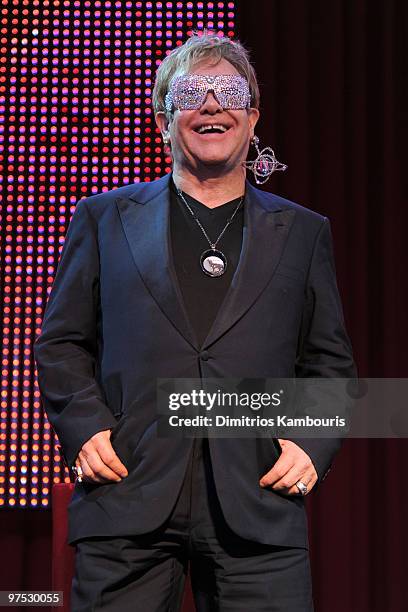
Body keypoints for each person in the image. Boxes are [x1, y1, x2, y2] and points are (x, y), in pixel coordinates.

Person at [34, 33, 356, 612]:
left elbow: (330, 363)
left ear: (253, 117)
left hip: (258, 504)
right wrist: (85, 430)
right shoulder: (103, 218)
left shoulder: (304, 232)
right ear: (164, 119)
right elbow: (61, 342)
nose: (211, 104)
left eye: (229, 90)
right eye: (192, 92)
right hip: (125, 497)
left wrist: (310, 442)